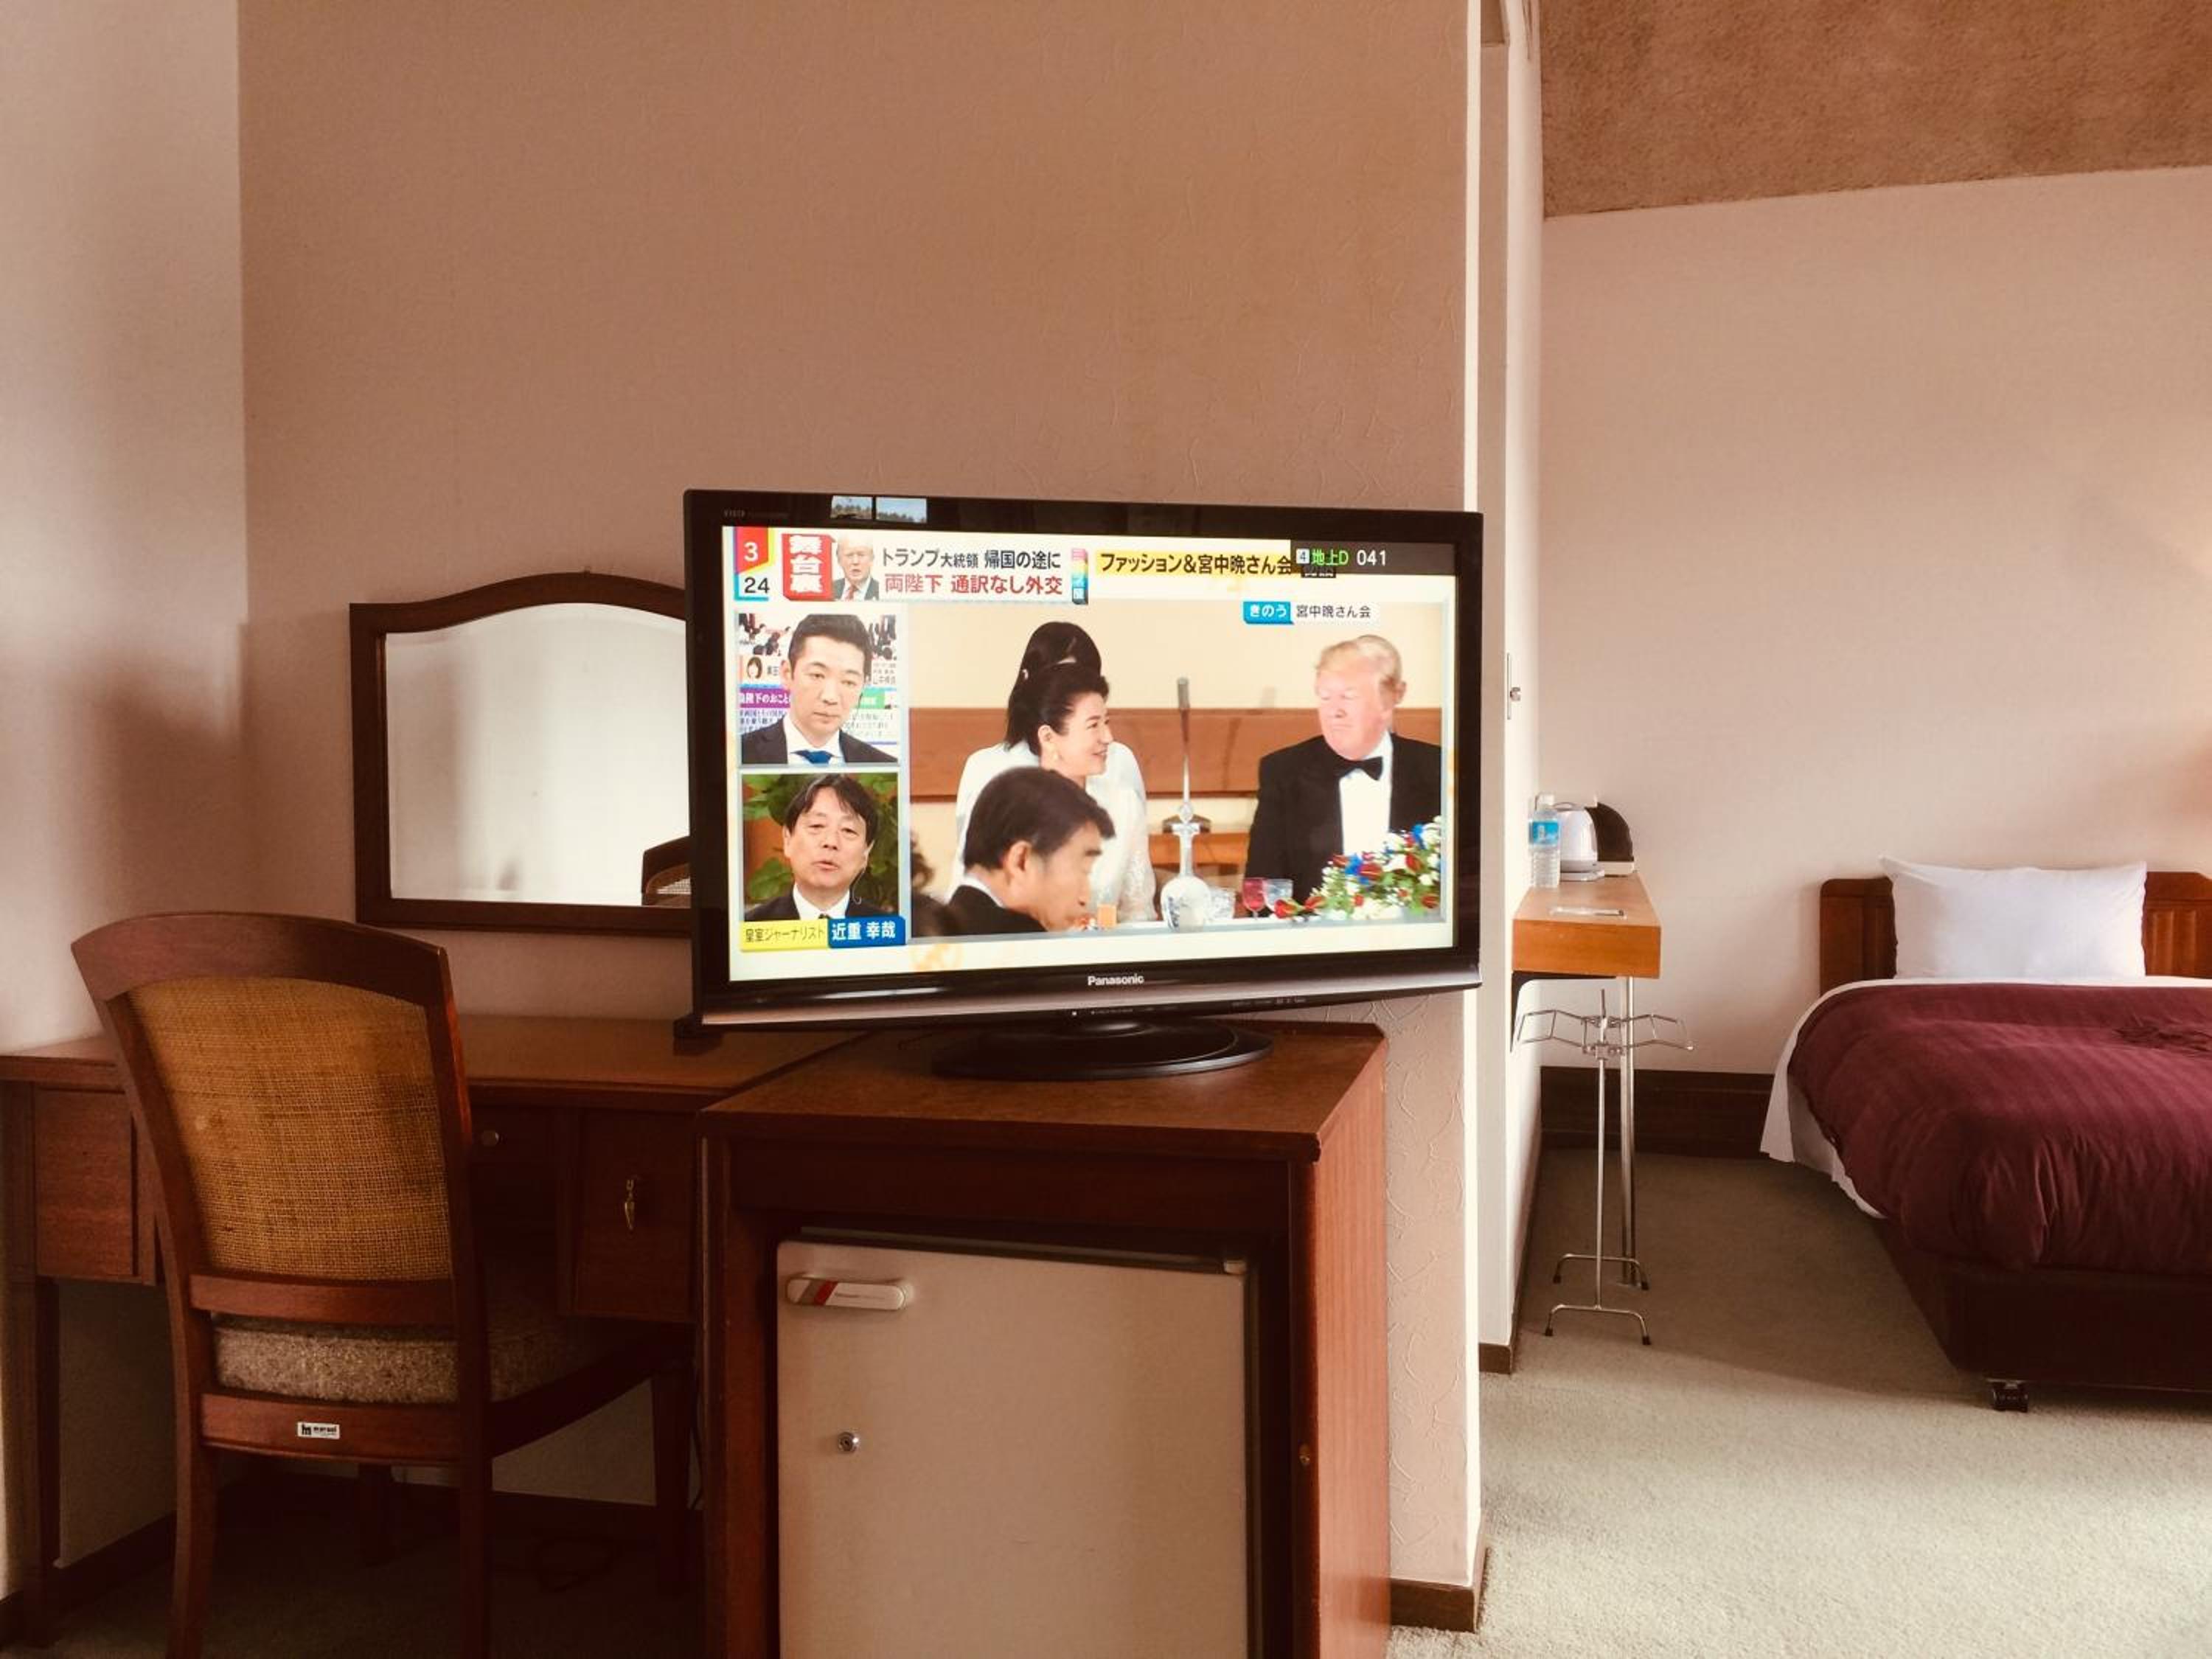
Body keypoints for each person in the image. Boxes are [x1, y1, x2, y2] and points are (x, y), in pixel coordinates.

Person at [1243, 635, 1442, 903]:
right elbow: (1263, 885)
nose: (1333, 711)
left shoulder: (1438, 769)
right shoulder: (1284, 772)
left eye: (1348, 697)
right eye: (1325, 697)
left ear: (1389, 700)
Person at [951, 621, 1146, 866]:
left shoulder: (1119, 761)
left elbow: (1136, 861)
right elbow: (973, 869)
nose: (1072, 690)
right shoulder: (984, 767)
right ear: (1027, 679)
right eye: (1060, 679)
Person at [1021, 662, 1153, 922]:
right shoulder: (1014, 809)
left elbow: (1138, 911)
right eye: (1094, 726)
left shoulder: (1124, 805)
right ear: (1048, 738)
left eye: (1107, 722)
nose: (1108, 737)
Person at [945, 769, 1112, 935]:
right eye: (1083, 870)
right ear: (1021, 861)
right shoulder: (1022, 939)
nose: (1085, 897)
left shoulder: (941, 924)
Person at [740, 613, 896, 765]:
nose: (830, 697)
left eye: (849, 682)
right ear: (787, 674)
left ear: (863, 687)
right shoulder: (739, 754)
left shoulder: (884, 765)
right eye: (817, 675)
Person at [742, 775, 889, 922]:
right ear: (788, 839)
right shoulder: (751, 926)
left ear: (866, 852)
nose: (831, 842)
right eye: (817, 825)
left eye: (848, 830)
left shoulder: (885, 929)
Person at [833, 535, 880, 601]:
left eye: (861, 555)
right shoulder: (829, 589)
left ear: (872, 559)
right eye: (849, 555)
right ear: (839, 560)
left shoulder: (882, 591)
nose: (855, 562)